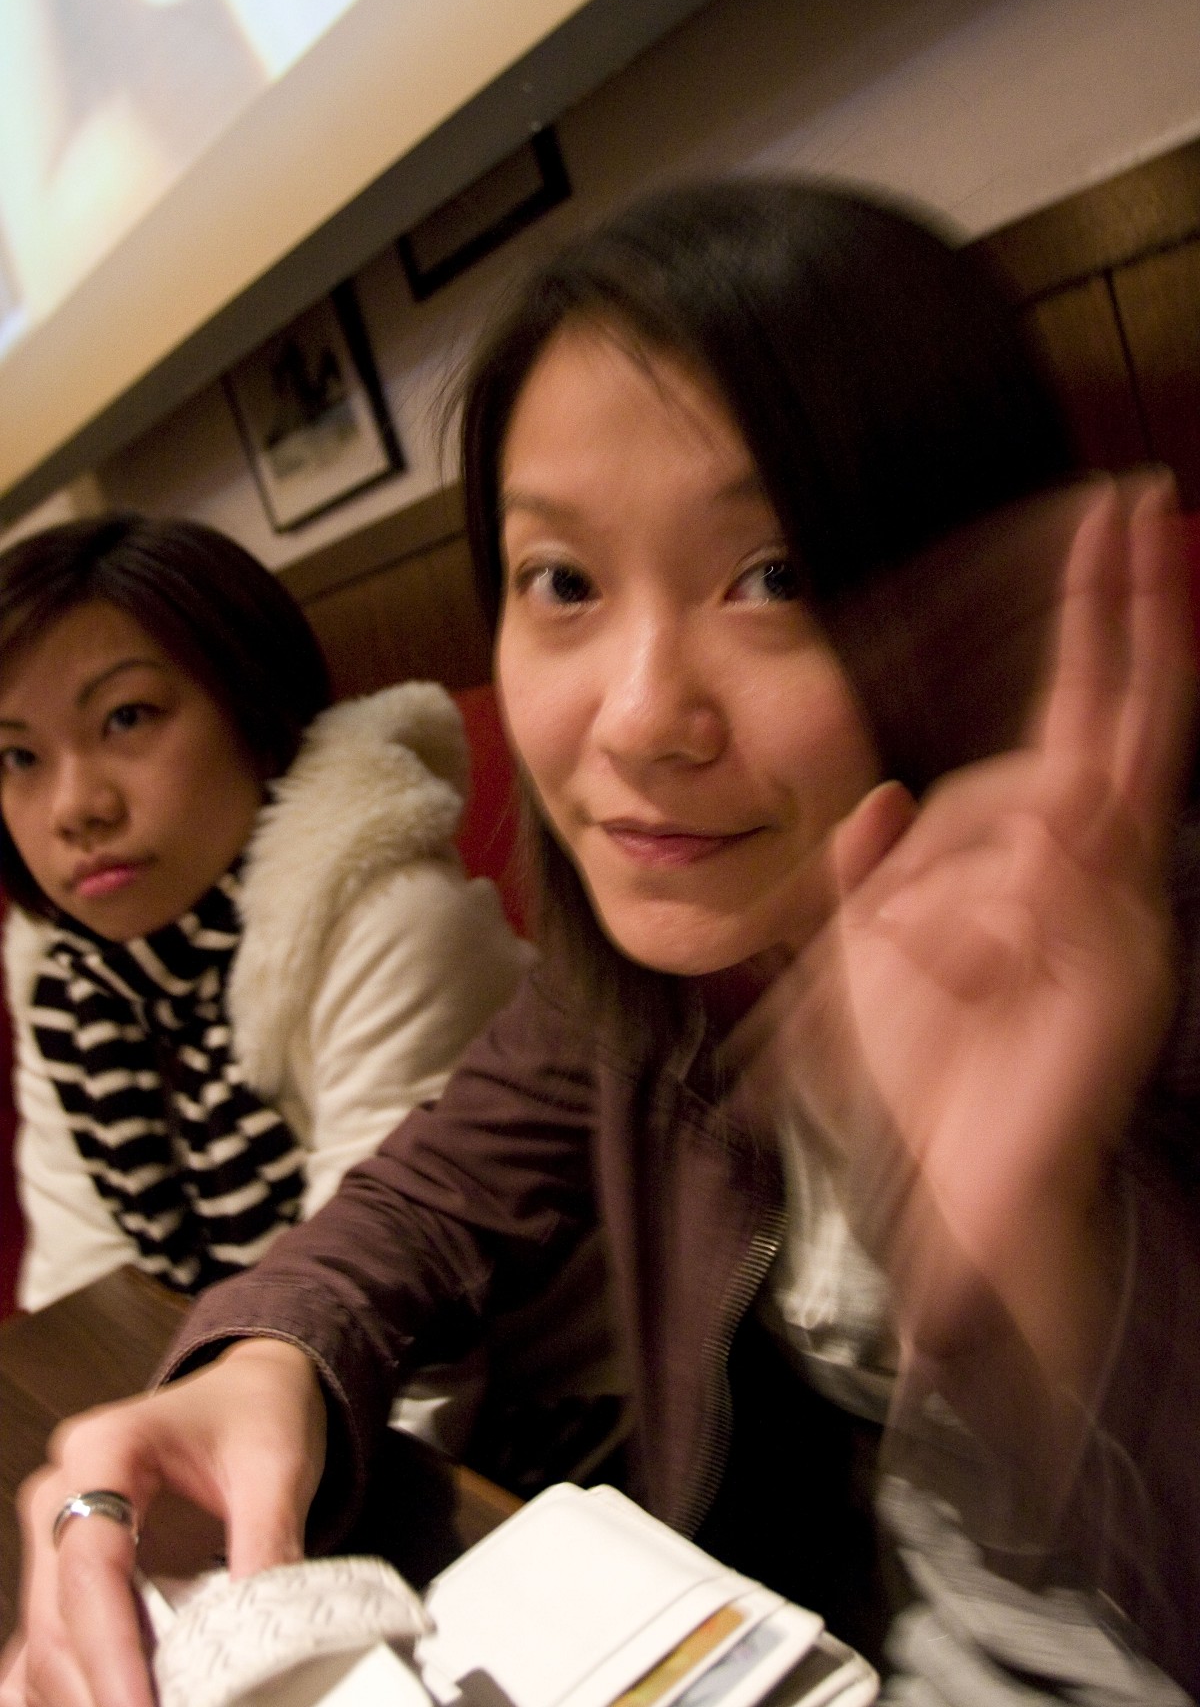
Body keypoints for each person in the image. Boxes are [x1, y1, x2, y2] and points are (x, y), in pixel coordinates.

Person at [5, 181, 1199, 1707]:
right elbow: (417, 1205)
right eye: (561, 582)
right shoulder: (648, 988)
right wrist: (262, 1365)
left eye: (773, 578)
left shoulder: (1147, 958)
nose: (637, 720)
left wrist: (1059, 1270)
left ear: (971, 590)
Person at [0, 515, 532, 1311]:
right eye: (18, 757)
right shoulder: (67, 978)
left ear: (254, 706)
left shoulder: (390, 915)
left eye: (128, 717)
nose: (75, 808)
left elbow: (378, 1310)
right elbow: (83, 1298)